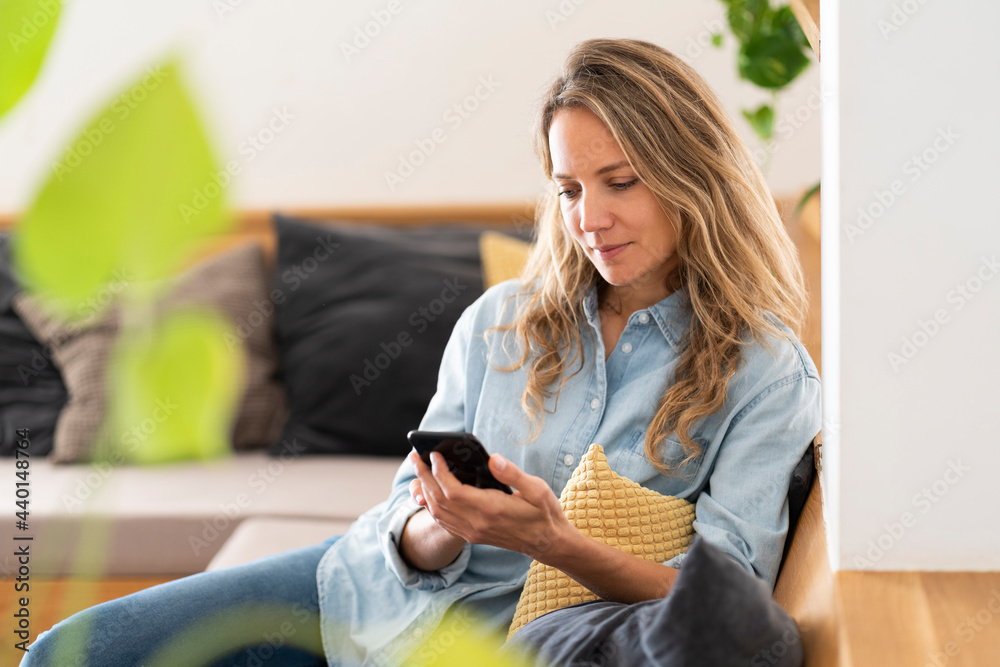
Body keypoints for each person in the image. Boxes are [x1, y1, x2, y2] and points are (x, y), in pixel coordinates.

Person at [22, 37, 821, 667]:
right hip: (372, 589)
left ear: (693, 176)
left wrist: (552, 541)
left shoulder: (764, 368)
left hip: (521, 639)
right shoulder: (501, 319)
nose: (590, 219)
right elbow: (409, 501)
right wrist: (443, 524)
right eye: (570, 189)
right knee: (67, 653)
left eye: (620, 181)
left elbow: (729, 605)